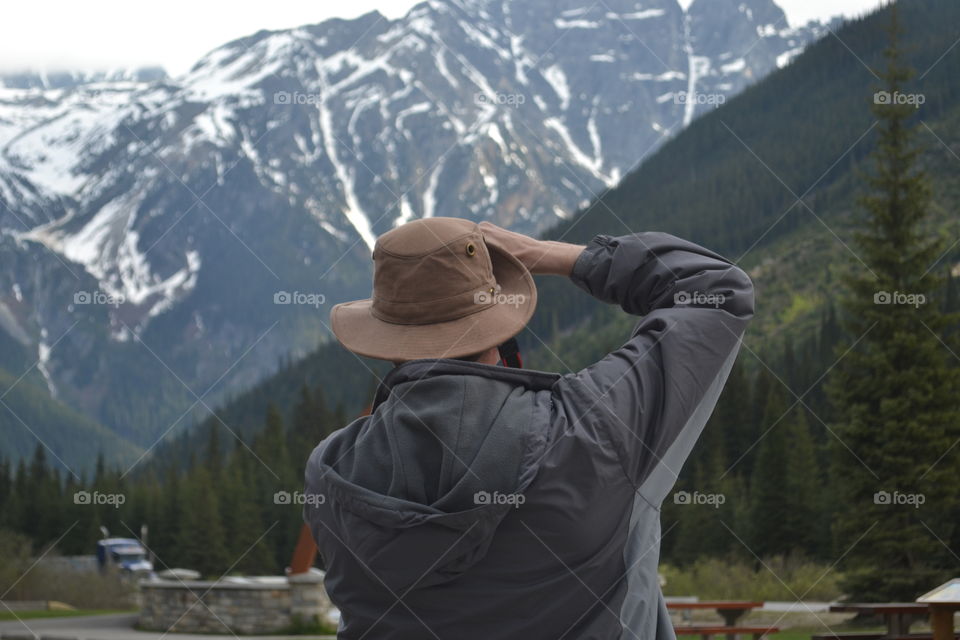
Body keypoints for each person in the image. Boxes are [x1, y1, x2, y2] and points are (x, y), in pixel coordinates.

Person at [303, 217, 754, 639]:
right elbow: (714, 289)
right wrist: (556, 255)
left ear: (384, 337)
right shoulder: (597, 427)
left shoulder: (329, 472)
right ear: (499, 326)